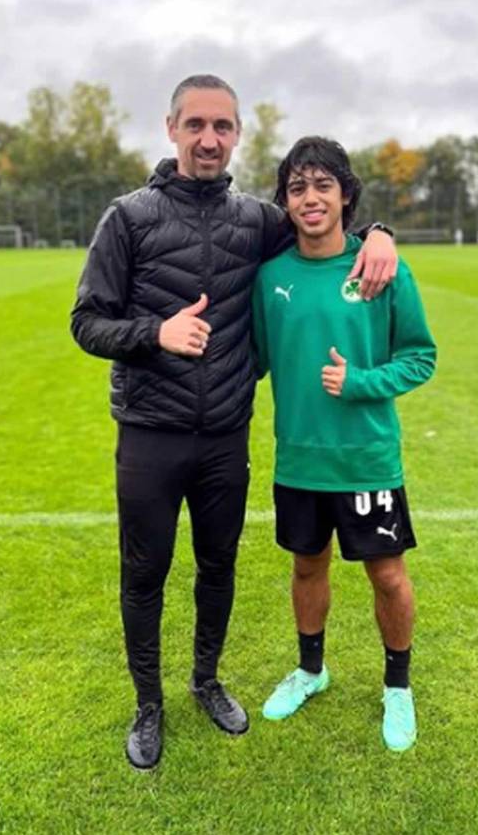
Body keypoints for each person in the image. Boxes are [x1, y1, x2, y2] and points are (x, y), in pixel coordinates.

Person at [70, 75, 398, 771]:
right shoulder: (127, 218)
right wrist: (155, 334)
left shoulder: (257, 218)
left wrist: (380, 234)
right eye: (196, 125)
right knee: (145, 571)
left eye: (222, 126)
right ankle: (148, 704)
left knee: (219, 566)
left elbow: (325, 221)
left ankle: (207, 681)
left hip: (225, 434)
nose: (209, 138)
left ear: (238, 135)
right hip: (150, 435)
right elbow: (86, 321)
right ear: (171, 130)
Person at [251, 136, 436, 752]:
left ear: (345, 195)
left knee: (387, 575)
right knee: (307, 566)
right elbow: (249, 358)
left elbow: (420, 356)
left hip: (366, 459)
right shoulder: (270, 277)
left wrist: (361, 383)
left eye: (322, 185)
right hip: (299, 459)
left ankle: (398, 686)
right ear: (285, 201)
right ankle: (311, 670)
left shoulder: (380, 268)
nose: (310, 198)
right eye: (297, 188)